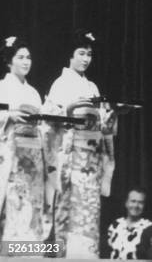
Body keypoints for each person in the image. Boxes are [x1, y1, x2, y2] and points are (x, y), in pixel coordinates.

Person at [44, 29, 116, 257]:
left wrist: (110, 117)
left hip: (91, 160)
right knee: (69, 208)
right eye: (82, 53)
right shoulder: (60, 84)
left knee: (89, 211)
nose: (86, 59)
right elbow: (49, 120)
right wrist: (70, 108)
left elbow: (104, 124)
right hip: (71, 155)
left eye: (89, 54)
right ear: (71, 56)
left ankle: (87, 255)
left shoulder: (92, 87)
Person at [0, 36, 55, 243]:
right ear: (8, 61)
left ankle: (31, 252)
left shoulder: (33, 92)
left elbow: (42, 127)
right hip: (12, 155)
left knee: (34, 206)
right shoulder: (2, 88)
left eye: (29, 57)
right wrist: (8, 116)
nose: (26, 62)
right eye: (20, 57)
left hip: (34, 156)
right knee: (15, 205)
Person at [107, 188, 152, 259]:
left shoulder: (149, 227)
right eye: (133, 201)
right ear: (126, 203)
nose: (136, 206)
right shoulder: (115, 224)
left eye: (140, 202)